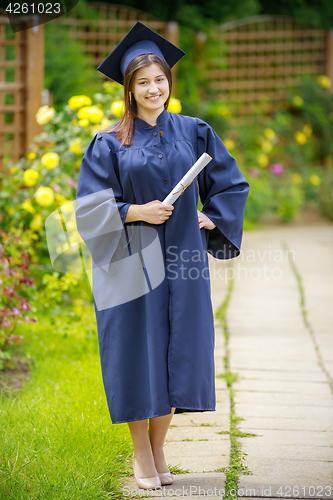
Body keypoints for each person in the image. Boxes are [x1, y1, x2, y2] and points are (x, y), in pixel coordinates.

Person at [75, 21, 250, 491]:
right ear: (129, 90)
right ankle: (140, 451)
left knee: (178, 351)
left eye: (160, 80)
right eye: (143, 82)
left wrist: (211, 218)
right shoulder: (109, 143)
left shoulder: (195, 132)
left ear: (169, 84)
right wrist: (135, 210)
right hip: (130, 261)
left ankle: (158, 447)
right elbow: (89, 210)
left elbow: (231, 183)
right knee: (138, 352)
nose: (154, 88)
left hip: (182, 263)